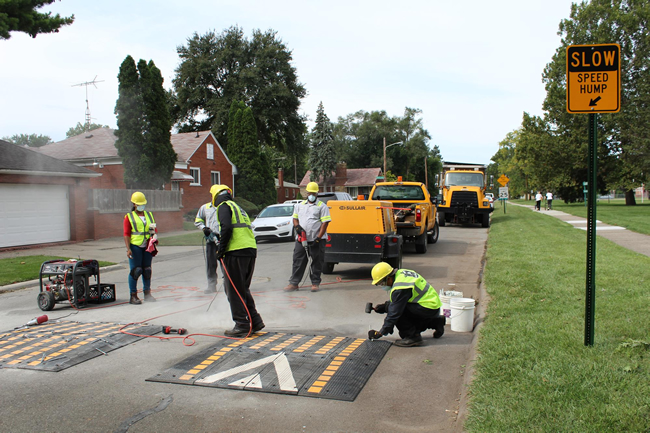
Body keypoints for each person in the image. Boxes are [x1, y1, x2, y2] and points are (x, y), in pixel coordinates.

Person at [211, 185, 265, 337]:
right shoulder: (238, 207)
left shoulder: (223, 206)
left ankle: (241, 325)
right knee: (242, 288)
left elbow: (226, 228)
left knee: (233, 290)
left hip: (236, 251)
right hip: (249, 250)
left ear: (215, 196)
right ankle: (255, 320)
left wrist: (221, 250)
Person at [367, 262, 445, 347]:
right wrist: (383, 307)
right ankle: (436, 322)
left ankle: (412, 337)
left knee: (399, 313)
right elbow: (398, 300)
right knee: (397, 310)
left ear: (389, 278)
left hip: (427, 308)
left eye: (382, 283)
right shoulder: (401, 274)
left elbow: (394, 312)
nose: (383, 286)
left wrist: (381, 332)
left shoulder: (401, 287)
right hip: (431, 306)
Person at [283, 182, 332, 293]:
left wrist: (318, 238)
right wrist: (297, 228)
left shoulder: (322, 206)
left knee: (316, 262)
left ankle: (315, 283)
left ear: (317, 193)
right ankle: (294, 283)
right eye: (310, 193)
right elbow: (295, 219)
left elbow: (325, 223)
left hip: (317, 240)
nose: (312, 195)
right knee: (298, 261)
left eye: (314, 193)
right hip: (302, 239)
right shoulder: (299, 205)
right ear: (307, 193)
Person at [124, 191, 157, 305]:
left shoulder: (149, 215)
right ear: (134, 204)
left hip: (148, 246)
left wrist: (154, 239)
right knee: (136, 271)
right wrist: (128, 248)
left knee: (147, 270)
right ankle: (133, 296)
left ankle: (147, 293)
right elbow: (126, 234)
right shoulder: (129, 217)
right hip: (135, 246)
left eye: (143, 203)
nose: (141, 206)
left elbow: (153, 229)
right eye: (139, 204)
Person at [195, 185, 221, 294]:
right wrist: (204, 228)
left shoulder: (224, 207)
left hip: (222, 238)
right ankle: (211, 285)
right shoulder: (205, 208)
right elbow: (198, 220)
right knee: (211, 263)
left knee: (225, 263)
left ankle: (228, 285)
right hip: (211, 239)